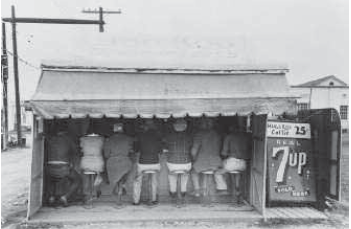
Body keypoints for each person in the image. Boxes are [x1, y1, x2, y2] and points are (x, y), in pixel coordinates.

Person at [190, 118, 228, 197]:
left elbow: (194, 151)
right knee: (209, 172)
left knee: (193, 172)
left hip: (203, 161)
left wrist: (193, 159)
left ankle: (197, 191)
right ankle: (206, 192)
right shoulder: (218, 134)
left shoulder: (199, 134)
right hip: (216, 162)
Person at [46, 128, 81, 207]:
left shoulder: (50, 139)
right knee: (77, 180)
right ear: (65, 131)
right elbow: (75, 151)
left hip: (49, 168)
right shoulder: (68, 139)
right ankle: (65, 197)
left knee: (51, 180)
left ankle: (51, 198)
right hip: (63, 168)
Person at [103, 123, 135, 207]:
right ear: (122, 130)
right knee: (127, 170)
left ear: (114, 130)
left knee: (114, 175)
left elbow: (106, 155)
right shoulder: (129, 139)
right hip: (125, 162)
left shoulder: (109, 140)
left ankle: (117, 187)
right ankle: (122, 186)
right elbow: (131, 151)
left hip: (112, 163)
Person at [133, 119, 163, 206]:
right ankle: (153, 199)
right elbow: (160, 151)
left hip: (143, 164)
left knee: (137, 180)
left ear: (145, 126)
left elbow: (136, 150)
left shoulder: (140, 136)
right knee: (154, 180)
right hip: (155, 164)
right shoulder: (158, 136)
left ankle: (136, 201)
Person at [220, 123, 252, 204]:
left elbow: (224, 153)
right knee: (238, 175)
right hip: (243, 164)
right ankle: (238, 190)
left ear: (231, 129)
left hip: (232, 163)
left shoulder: (229, 137)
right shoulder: (246, 137)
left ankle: (227, 190)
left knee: (220, 169)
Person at [163, 119, 192, 205]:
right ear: (185, 126)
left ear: (174, 126)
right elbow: (191, 149)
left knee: (172, 176)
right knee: (185, 176)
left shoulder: (169, 137)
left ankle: (173, 192)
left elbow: (165, 149)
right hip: (186, 163)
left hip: (172, 164)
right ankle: (183, 191)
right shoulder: (189, 137)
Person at [80, 131, 105, 206]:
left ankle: (86, 196)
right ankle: (96, 191)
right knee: (99, 176)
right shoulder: (101, 139)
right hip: (98, 163)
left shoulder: (83, 139)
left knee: (86, 179)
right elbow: (103, 150)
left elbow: (81, 150)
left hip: (85, 163)